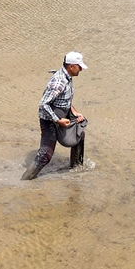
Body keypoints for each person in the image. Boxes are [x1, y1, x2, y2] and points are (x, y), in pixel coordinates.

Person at [22, 51, 87, 180]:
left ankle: (75, 168)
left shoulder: (68, 77)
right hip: (50, 120)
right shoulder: (59, 81)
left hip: (62, 114)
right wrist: (58, 121)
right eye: (79, 66)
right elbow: (43, 104)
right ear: (71, 66)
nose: (81, 69)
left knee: (79, 133)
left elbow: (63, 99)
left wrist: (73, 111)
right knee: (45, 155)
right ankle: (25, 180)